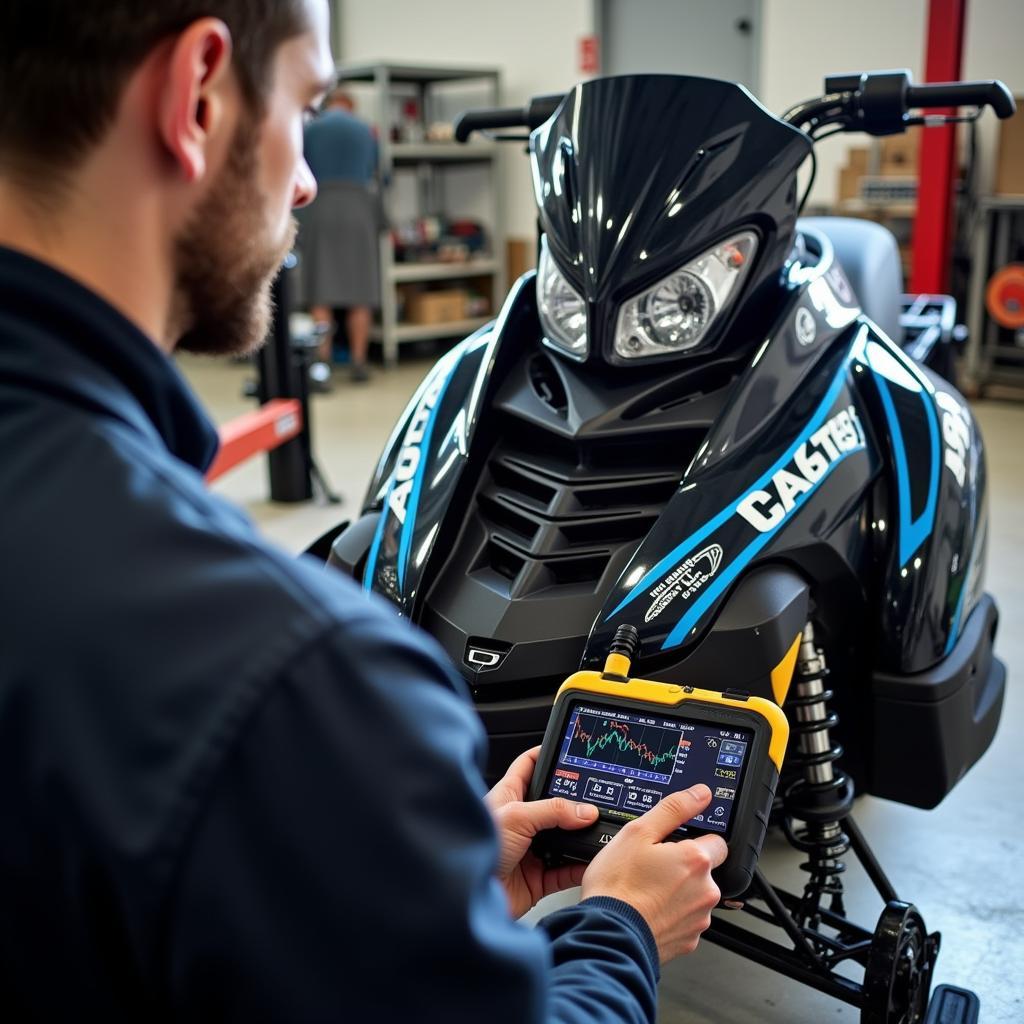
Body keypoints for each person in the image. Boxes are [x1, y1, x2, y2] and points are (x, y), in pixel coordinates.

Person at [0, 2, 727, 1021]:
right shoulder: (294, 683)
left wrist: (414, 881)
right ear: (199, 95)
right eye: (305, 102)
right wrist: (614, 930)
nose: (304, 182)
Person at [298, 86, 380, 385]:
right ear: (350, 104)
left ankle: (323, 363)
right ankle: (359, 361)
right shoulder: (366, 131)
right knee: (362, 292)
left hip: (321, 210)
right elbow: (379, 174)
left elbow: (299, 171)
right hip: (359, 211)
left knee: (323, 291)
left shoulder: (311, 129)